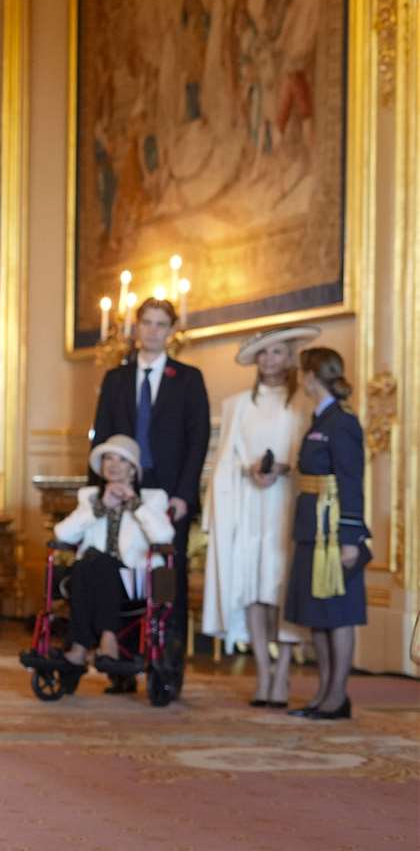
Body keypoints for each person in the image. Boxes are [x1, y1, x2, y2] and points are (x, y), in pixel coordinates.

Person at [89, 298, 210, 688]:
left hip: (168, 492)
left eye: (161, 324)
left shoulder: (188, 379)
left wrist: (183, 495)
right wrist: (100, 492)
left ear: (171, 330)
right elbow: (102, 433)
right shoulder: (116, 379)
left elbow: (198, 441)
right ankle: (121, 667)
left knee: (165, 583)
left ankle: (166, 670)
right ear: (136, 327)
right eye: (147, 323)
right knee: (122, 568)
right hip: (122, 487)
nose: (153, 331)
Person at [201, 326, 318, 706]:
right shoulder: (237, 404)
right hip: (250, 506)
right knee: (252, 587)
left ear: (290, 358)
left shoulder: (303, 402)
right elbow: (227, 456)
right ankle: (263, 675)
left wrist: (285, 468)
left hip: (286, 504)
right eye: (264, 353)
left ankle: (283, 674)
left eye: (279, 352)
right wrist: (248, 467)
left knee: (280, 587)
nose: (271, 360)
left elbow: (311, 456)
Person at [284, 347, 369, 721]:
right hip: (312, 529)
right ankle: (322, 693)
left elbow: (351, 480)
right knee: (317, 614)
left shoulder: (342, 422)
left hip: (334, 533)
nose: (300, 379)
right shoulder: (320, 419)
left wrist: (350, 537)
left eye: (303, 373)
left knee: (339, 613)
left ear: (311, 376)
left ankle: (338, 696)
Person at [53, 435, 176, 674]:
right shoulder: (90, 497)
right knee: (88, 564)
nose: (113, 464)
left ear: (133, 469)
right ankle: (93, 643)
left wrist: (134, 504)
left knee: (97, 563)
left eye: (121, 459)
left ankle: (89, 644)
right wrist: (100, 508)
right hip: (91, 577)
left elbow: (164, 537)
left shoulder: (153, 498)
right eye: (108, 458)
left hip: (134, 581)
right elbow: (62, 533)